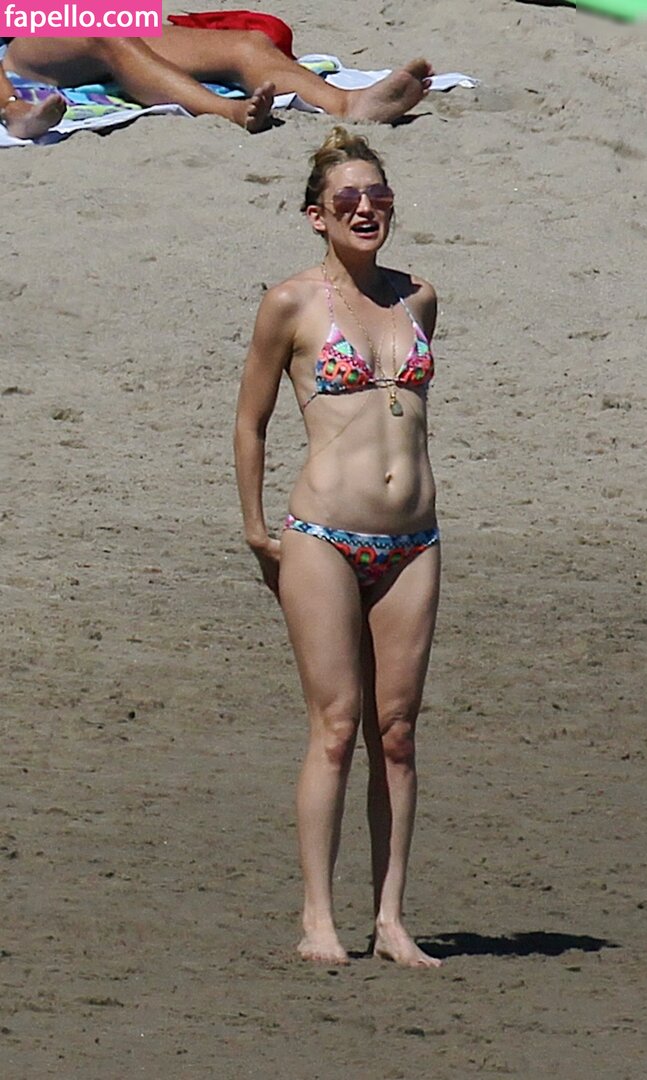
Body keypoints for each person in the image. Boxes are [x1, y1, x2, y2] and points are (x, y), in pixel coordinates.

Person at [234, 127, 442, 968]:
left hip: (414, 540)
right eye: (347, 198)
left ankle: (390, 919)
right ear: (315, 215)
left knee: (397, 733)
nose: (365, 209)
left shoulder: (418, 298)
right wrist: (256, 528)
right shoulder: (291, 303)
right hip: (322, 533)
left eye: (377, 196)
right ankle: (318, 918)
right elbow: (251, 421)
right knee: (335, 725)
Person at [0, 30, 433, 138]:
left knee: (247, 44)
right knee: (105, 32)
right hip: (19, 39)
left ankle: (345, 103)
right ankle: (14, 110)